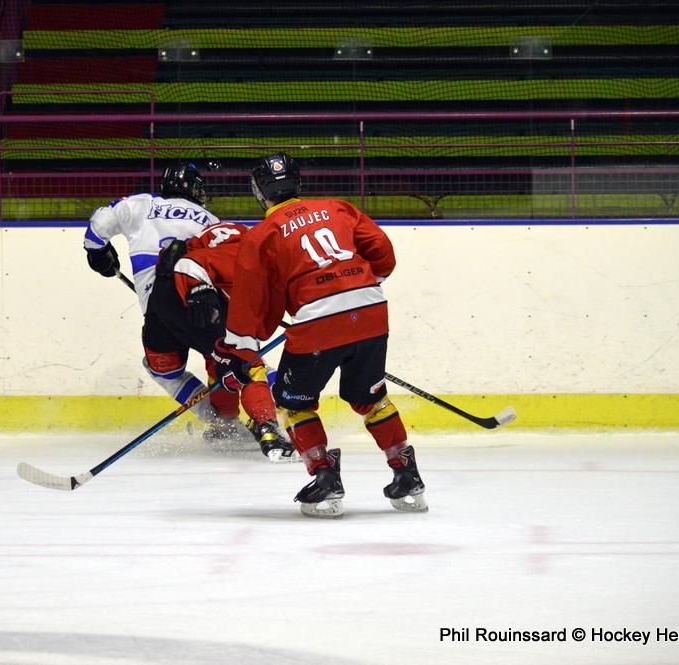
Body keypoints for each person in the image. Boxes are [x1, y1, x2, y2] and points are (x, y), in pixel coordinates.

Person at [212, 153, 428, 517]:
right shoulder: (337, 207)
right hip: (371, 311)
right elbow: (382, 253)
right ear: (298, 181)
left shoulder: (262, 234)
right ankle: (407, 475)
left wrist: (240, 351)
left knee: (293, 403)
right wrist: (356, 288)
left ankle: (325, 477)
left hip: (318, 322)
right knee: (371, 398)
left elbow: (251, 302)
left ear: (259, 192)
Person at [83, 163, 254, 441]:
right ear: (195, 189)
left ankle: (217, 422)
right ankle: (257, 416)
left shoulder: (141, 204)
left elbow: (98, 225)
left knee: (164, 371)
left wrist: (98, 254)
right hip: (198, 300)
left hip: (158, 310)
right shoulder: (211, 220)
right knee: (229, 360)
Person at [150, 222, 298, 462]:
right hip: (199, 297)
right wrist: (203, 293)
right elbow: (191, 266)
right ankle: (267, 428)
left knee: (217, 360)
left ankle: (224, 424)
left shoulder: (199, 242)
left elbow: (171, 258)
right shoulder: (248, 251)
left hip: (160, 307)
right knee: (247, 365)